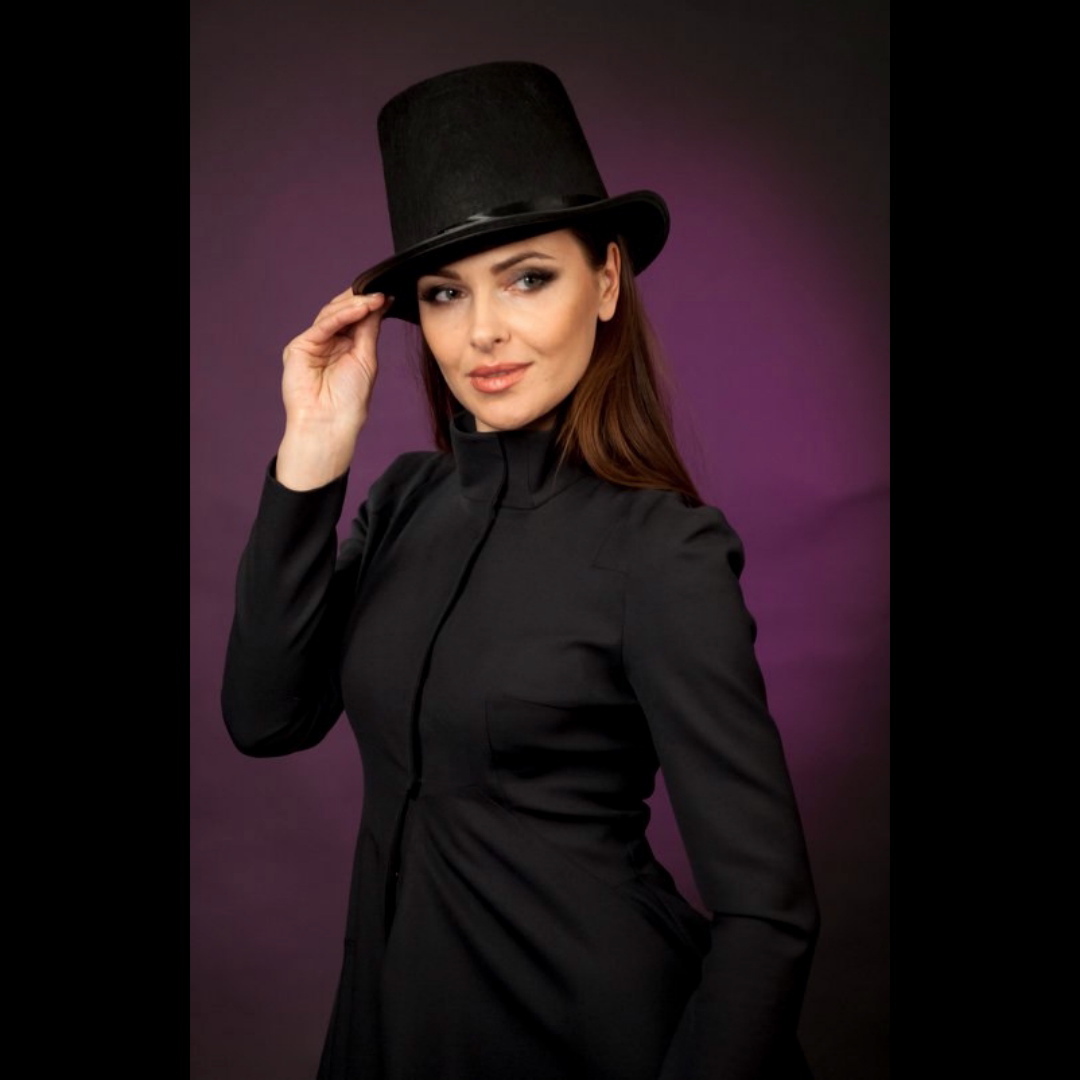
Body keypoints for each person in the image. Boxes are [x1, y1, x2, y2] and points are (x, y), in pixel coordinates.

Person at [221, 60, 820, 1080]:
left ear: (607, 281)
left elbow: (769, 914)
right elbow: (265, 718)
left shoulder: (663, 551)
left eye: (528, 277)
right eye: (445, 294)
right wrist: (312, 452)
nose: (483, 331)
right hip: (387, 1033)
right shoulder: (403, 501)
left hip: (597, 1038)